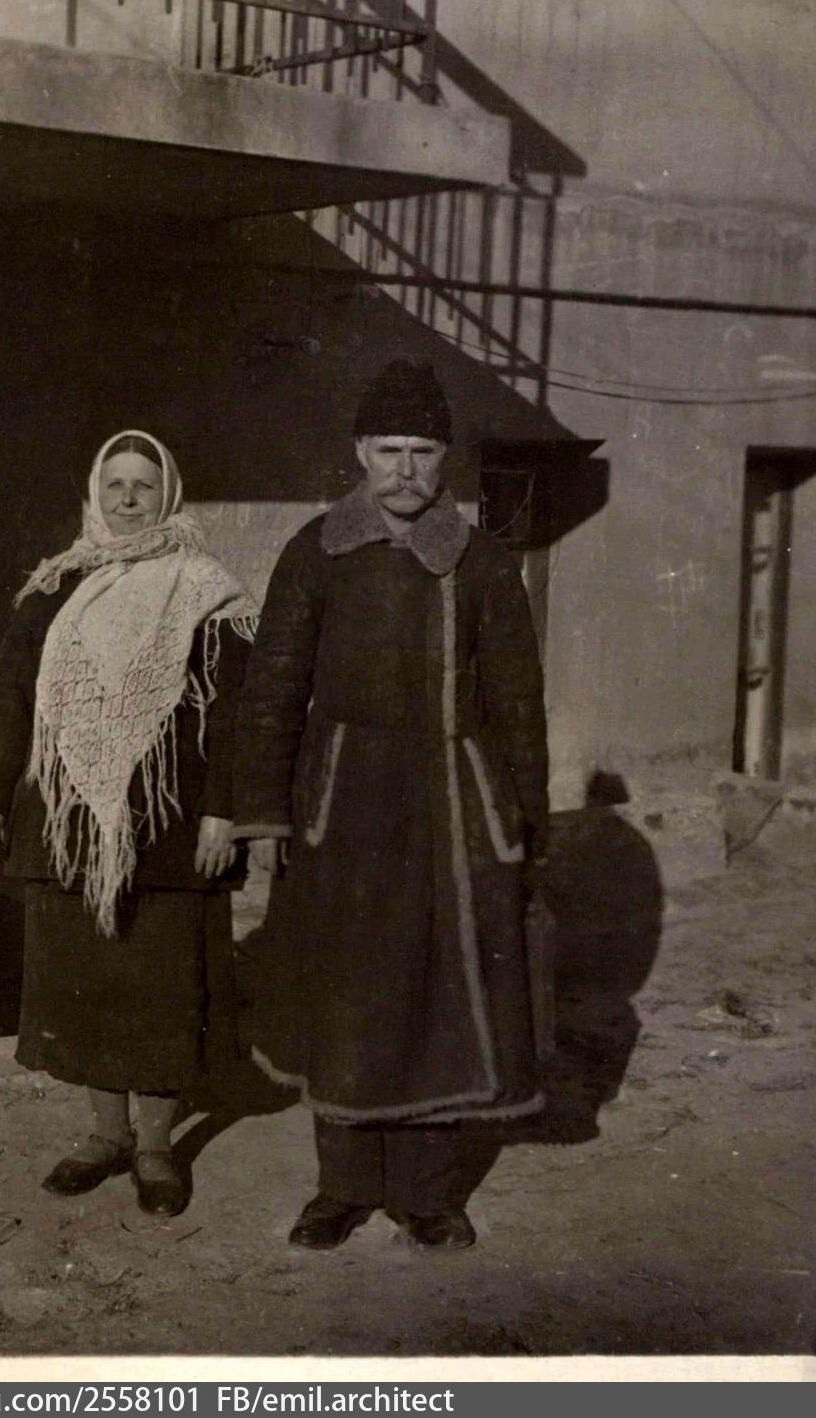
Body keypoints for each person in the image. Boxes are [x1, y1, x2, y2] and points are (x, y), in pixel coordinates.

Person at [232, 361, 550, 1250]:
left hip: (453, 802)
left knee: (439, 995)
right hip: (343, 802)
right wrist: (266, 815)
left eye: (423, 451)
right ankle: (341, 1187)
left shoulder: (483, 562)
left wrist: (524, 822)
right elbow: (273, 688)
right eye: (388, 450)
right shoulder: (316, 551)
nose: (405, 470)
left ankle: (428, 1192)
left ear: (446, 458)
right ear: (359, 452)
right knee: (347, 994)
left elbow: (519, 702)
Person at [0, 429, 256, 1218]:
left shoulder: (206, 589)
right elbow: (10, 696)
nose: (128, 499)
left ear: (168, 495)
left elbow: (236, 713)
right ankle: (105, 1135)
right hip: (71, 820)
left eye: (143, 485)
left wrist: (224, 809)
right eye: (115, 484)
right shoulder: (55, 586)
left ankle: (155, 1147)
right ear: (95, 492)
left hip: (169, 821)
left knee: (161, 984)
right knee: (86, 980)